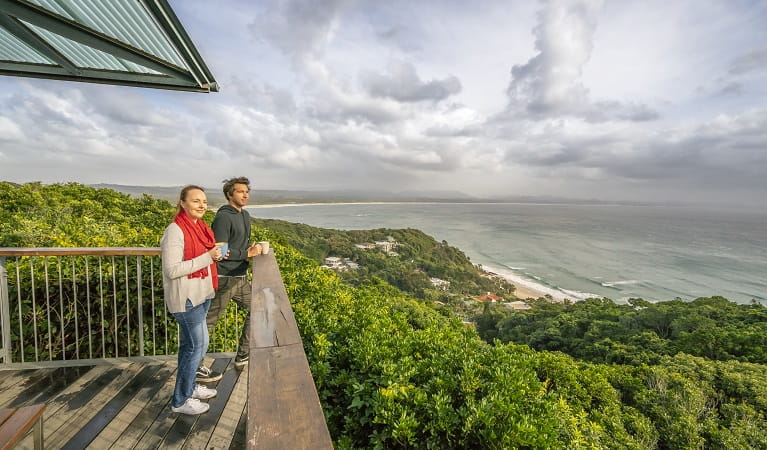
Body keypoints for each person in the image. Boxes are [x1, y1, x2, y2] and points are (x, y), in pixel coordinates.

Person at [161, 185, 222, 415]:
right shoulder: (175, 230)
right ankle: (180, 401)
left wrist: (212, 255)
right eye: (196, 201)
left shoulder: (201, 229)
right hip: (186, 299)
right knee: (197, 346)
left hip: (202, 295)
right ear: (183, 203)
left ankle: (190, 388)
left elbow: (202, 259)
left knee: (191, 346)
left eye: (204, 202)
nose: (202, 205)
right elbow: (172, 269)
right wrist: (208, 257)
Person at [197, 176, 264, 381]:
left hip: (240, 277)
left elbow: (241, 244)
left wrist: (252, 249)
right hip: (225, 276)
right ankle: (196, 366)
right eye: (240, 191)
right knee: (209, 322)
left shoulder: (245, 215)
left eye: (247, 191)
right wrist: (247, 254)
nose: (245, 195)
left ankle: (243, 354)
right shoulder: (223, 217)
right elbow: (220, 250)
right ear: (229, 194)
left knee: (259, 309)